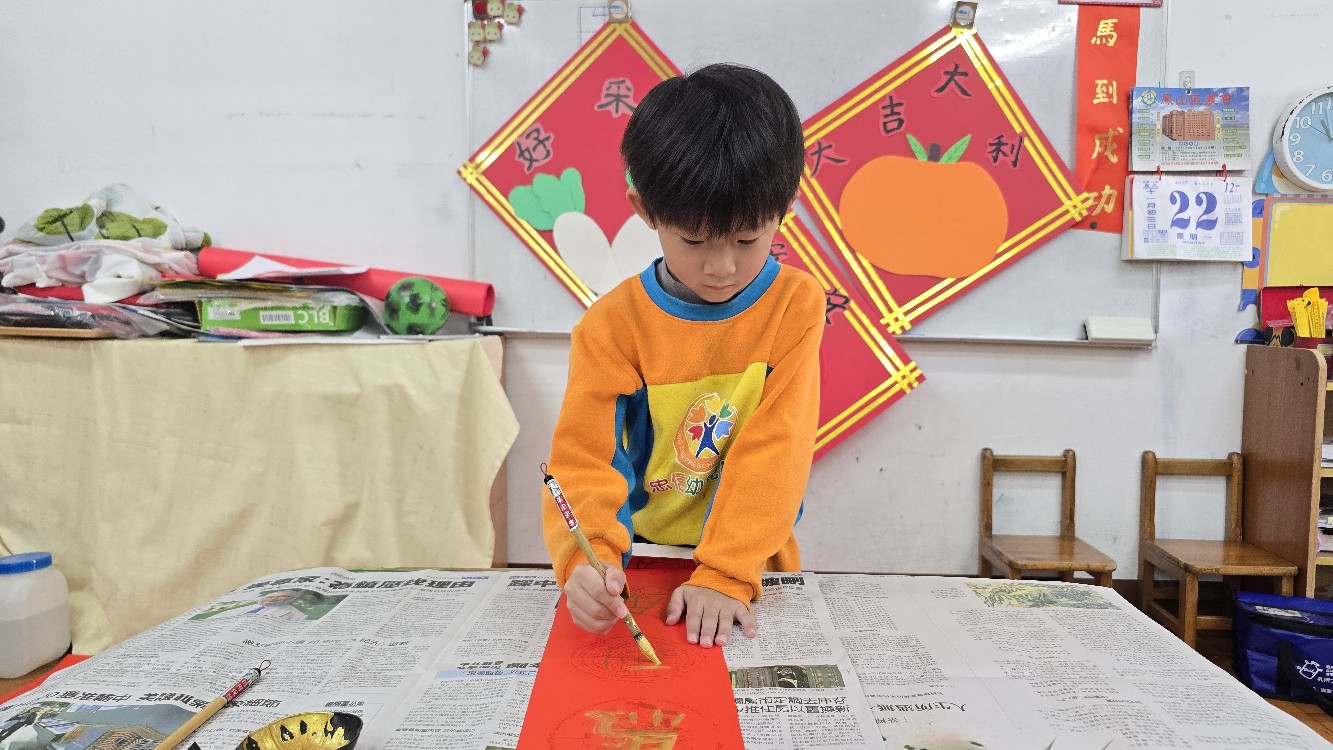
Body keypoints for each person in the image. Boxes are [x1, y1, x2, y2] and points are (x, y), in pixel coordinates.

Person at [542, 63, 824, 649]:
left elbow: (778, 449)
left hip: (749, 569)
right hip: (641, 562)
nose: (722, 267)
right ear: (644, 209)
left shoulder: (794, 306)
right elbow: (585, 459)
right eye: (693, 240)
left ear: (785, 207)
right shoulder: (611, 327)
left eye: (747, 239)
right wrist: (587, 560)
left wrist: (725, 573)